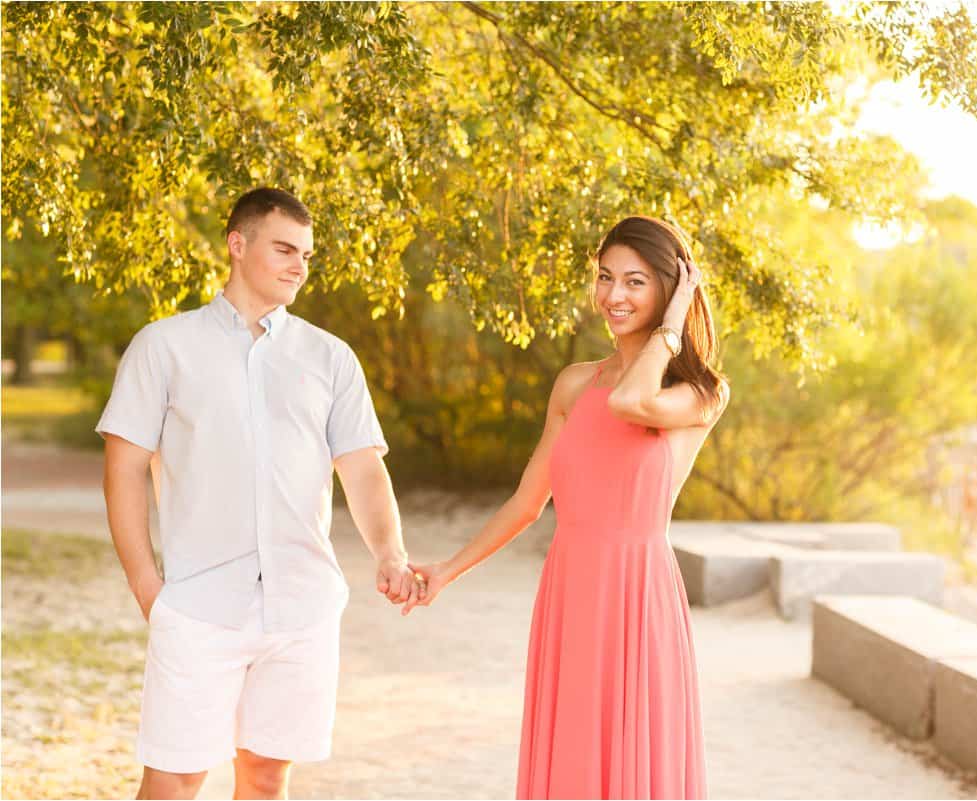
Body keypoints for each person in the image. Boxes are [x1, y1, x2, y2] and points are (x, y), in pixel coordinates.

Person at [97, 188, 423, 800]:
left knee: (269, 779)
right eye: (284, 248)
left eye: (306, 253)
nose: (299, 265)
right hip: (198, 606)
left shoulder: (330, 358)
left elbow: (363, 471)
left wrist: (390, 554)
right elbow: (123, 469)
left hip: (303, 609)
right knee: (174, 777)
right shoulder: (164, 347)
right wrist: (147, 585)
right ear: (237, 244)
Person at [407, 216, 729, 799]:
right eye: (606, 278)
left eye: (635, 282)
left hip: (638, 596)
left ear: (668, 289)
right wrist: (446, 570)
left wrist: (675, 328)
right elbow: (528, 503)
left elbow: (633, 401)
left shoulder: (700, 392)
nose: (613, 296)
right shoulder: (574, 384)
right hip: (570, 592)